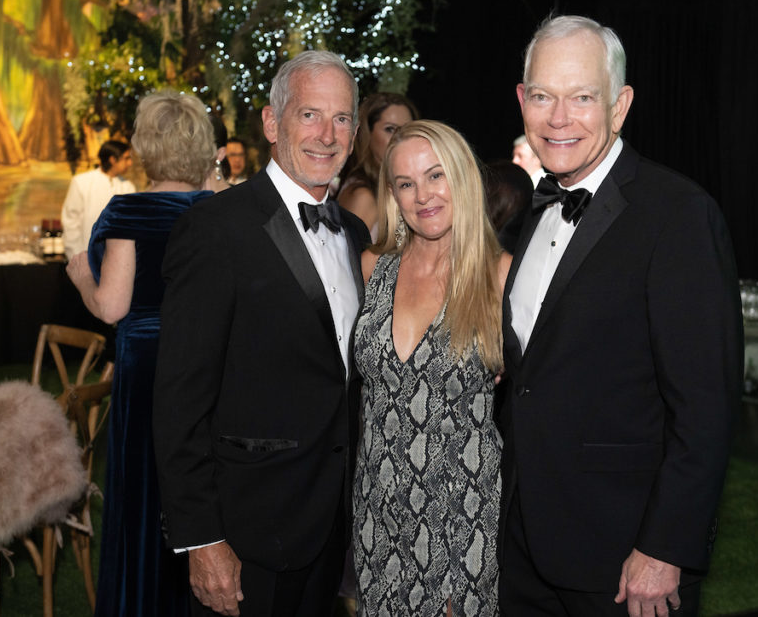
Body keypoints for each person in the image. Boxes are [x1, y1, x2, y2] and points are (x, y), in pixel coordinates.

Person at [500, 15, 742, 616]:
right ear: (521, 101)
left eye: (582, 97)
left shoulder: (678, 214)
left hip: (622, 556)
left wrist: (664, 547)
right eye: (543, 97)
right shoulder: (530, 211)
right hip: (520, 543)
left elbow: (706, 406)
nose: (559, 118)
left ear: (620, 105)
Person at [152, 50, 369, 617]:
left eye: (342, 118)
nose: (327, 134)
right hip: (248, 531)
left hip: (336, 523)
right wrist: (201, 538)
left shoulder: (357, 231)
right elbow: (179, 400)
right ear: (273, 124)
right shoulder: (214, 230)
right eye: (309, 115)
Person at [66, 90, 215, 616]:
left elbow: (110, 307)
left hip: (148, 368)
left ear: (145, 144)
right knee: (199, 489)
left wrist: (84, 276)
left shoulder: (130, 210)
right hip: (206, 366)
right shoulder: (218, 210)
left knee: (144, 495)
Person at [353, 120, 512, 616]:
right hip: (376, 509)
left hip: (461, 513)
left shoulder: (499, 275)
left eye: (436, 176)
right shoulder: (372, 269)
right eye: (405, 183)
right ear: (393, 195)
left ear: (462, 177)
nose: (422, 195)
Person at [336, 92, 419, 237]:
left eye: (407, 130)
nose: (400, 137)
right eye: (390, 129)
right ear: (367, 134)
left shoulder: (391, 187)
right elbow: (343, 258)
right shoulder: (363, 195)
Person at [61, 139, 137, 256]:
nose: (130, 163)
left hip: (118, 259)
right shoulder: (82, 182)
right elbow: (71, 222)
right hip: (85, 256)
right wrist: (76, 255)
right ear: (112, 159)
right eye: (126, 158)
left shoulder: (128, 187)